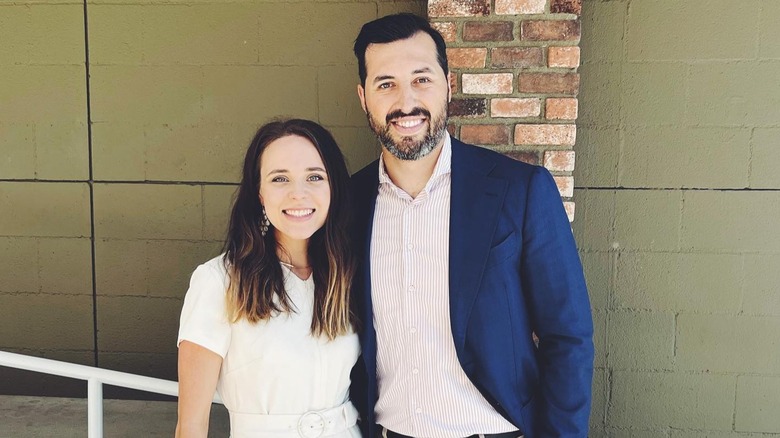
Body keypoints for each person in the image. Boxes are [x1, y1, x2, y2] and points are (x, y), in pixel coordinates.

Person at [349, 14, 594, 438]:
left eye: (421, 79)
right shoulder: (346, 204)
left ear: (449, 84)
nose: (406, 102)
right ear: (363, 97)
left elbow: (567, 335)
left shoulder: (519, 191)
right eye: (385, 83)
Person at [176, 119, 361, 438]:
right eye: (280, 179)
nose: (298, 194)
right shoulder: (219, 281)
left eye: (314, 177)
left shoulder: (347, 274)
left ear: (333, 187)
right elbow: (191, 425)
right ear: (259, 193)